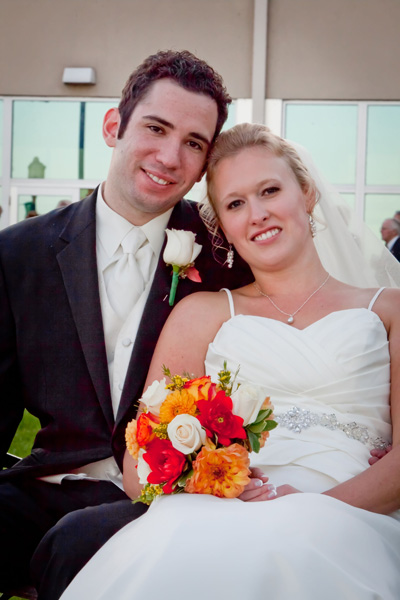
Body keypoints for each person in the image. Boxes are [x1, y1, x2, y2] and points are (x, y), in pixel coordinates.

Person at [61, 123, 400, 600]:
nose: (257, 214)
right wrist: (206, 488)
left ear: (306, 193)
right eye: (236, 203)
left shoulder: (389, 309)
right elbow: (142, 461)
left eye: (270, 190)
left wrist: (310, 509)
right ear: (220, 223)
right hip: (217, 509)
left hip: (352, 513)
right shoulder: (202, 314)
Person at [0, 50, 252, 599]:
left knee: (79, 543)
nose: (169, 156)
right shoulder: (20, 253)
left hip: (165, 498)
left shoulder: (227, 259)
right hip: (46, 485)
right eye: (156, 128)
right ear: (114, 126)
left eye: (193, 143)